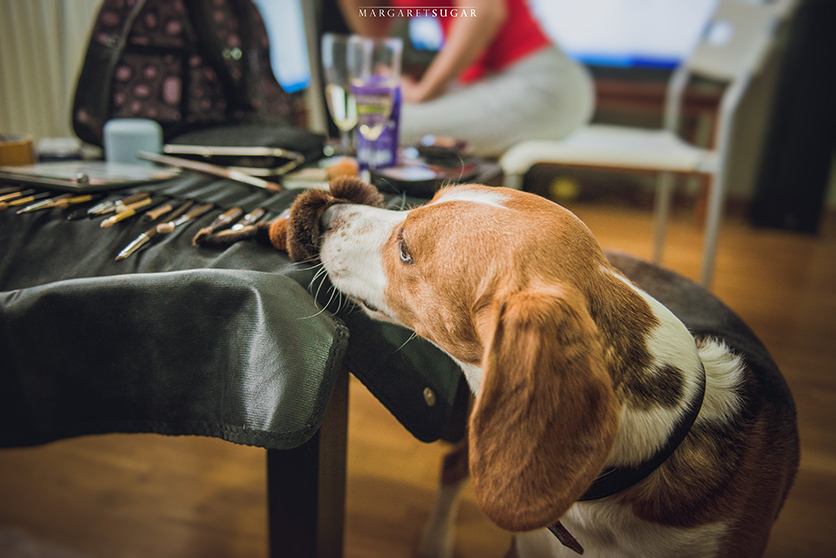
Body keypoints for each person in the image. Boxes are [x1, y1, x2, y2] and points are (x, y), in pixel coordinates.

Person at [336, 0, 595, 156]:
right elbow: (377, 27)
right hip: (485, 83)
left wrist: (422, 92)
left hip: (539, 83)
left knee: (383, 126)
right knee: (371, 119)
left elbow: (484, 10)